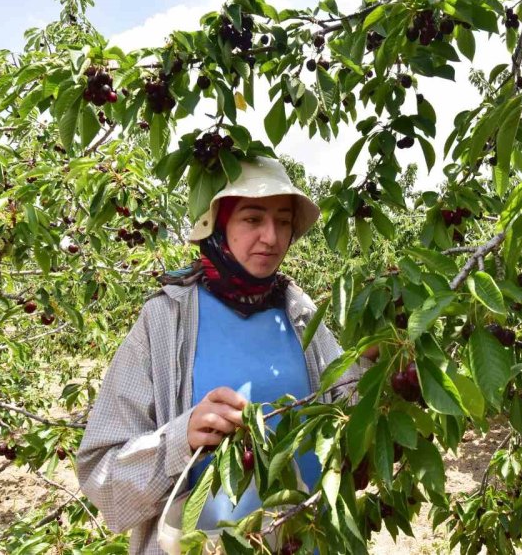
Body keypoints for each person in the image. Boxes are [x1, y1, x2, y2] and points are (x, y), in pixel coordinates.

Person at [76, 156, 372, 555]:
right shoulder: (165, 320)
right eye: (252, 219)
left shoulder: (300, 314)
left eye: (283, 221)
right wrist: (180, 440)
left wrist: (375, 365)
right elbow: (101, 476)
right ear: (218, 226)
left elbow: (348, 419)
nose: (271, 237)